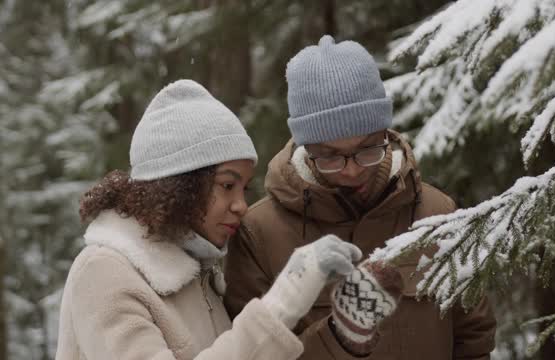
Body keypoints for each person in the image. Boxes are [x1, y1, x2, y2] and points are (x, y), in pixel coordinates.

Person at [224, 36, 497, 359]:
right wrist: (339, 334)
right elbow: (250, 355)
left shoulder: (436, 212)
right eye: (330, 157)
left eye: (367, 149)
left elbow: (473, 336)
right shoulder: (260, 232)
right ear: (305, 149)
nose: (352, 171)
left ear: (386, 134)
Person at [54, 79, 365, 360]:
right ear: (179, 185)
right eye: (227, 186)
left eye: (244, 187)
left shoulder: (199, 277)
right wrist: (285, 300)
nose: (242, 205)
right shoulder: (103, 273)